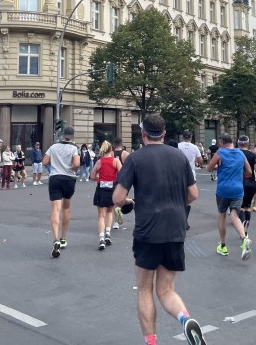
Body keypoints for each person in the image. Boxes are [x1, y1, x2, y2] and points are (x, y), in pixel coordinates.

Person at [112, 113, 206, 345]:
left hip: (148, 231)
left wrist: (130, 202)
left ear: (142, 132)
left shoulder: (135, 158)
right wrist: (177, 204)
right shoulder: (179, 156)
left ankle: (152, 342)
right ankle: (185, 319)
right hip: (175, 229)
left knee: (145, 290)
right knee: (166, 290)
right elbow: (193, 194)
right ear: (163, 133)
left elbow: (118, 198)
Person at [206, 133, 252, 260]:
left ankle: (223, 246)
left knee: (222, 216)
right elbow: (249, 171)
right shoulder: (241, 153)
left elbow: (209, 168)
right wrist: (239, 174)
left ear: (221, 142)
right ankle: (244, 239)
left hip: (223, 190)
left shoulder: (220, 153)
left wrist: (218, 166)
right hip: (237, 189)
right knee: (234, 216)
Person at [43, 126, 80, 258]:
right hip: (69, 178)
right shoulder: (74, 148)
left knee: (55, 209)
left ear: (63, 135)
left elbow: (45, 161)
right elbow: (76, 164)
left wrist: (55, 163)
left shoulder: (53, 147)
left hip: (55, 177)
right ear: (72, 136)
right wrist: (73, 167)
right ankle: (63, 238)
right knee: (66, 208)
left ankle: (55, 238)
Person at [90, 140, 122, 250]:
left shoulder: (99, 162)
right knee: (109, 212)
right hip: (112, 188)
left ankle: (101, 238)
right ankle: (108, 233)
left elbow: (92, 176)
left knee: (101, 215)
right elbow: (122, 174)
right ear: (111, 149)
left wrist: (100, 178)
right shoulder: (115, 161)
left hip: (101, 188)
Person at [177, 130, 203, 230]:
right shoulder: (194, 147)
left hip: (179, 174)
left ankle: (180, 219)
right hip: (191, 174)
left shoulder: (178, 146)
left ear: (182, 137)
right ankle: (185, 221)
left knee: (179, 196)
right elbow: (200, 160)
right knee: (189, 197)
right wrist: (197, 163)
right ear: (191, 138)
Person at [237, 135, 256, 235]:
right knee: (247, 206)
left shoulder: (236, 154)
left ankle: (242, 226)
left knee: (240, 207)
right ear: (248, 143)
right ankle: (246, 229)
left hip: (239, 182)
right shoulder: (253, 155)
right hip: (251, 183)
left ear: (238, 143)